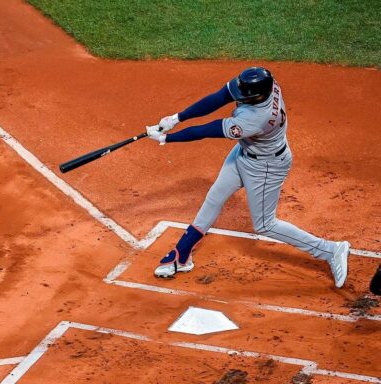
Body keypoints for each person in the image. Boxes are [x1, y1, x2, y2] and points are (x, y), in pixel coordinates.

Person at [146, 67, 350, 288]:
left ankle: (330, 250)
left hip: (265, 166)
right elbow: (221, 96)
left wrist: (166, 138)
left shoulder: (257, 118)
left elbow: (206, 130)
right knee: (215, 196)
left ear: (258, 96)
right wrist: (177, 117)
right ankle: (182, 255)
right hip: (244, 152)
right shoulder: (265, 84)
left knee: (265, 225)